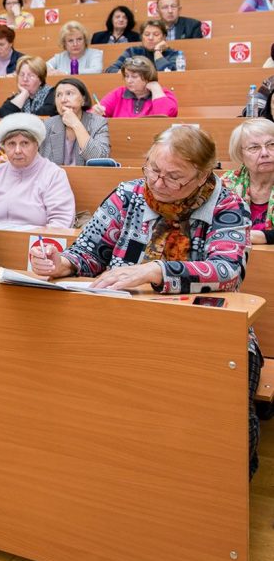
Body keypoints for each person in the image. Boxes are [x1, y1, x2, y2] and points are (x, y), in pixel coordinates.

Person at [29, 125, 261, 478]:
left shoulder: (228, 206)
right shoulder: (128, 195)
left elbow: (226, 270)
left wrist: (155, 271)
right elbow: (89, 252)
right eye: (152, 168)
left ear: (201, 176)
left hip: (208, 331)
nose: (157, 182)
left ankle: (221, 485)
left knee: (222, 400)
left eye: (174, 177)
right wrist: (61, 262)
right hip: (119, 323)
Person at [0, 113, 75, 227]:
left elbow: (61, 222)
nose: (17, 150)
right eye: (11, 144)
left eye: (25, 143)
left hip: (36, 243)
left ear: (37, 145)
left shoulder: (54, 175)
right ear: (4, 147)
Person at [222, 119, 274, 244]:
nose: (265, 153)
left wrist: (263, 236)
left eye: (271, 145)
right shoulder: (227, 183)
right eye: (254, 147)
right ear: (241, 154)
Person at [40, 78, 110, 166]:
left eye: (69, 93)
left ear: (83, 99)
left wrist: (76, 124)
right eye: (58, 95)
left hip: (87, 178)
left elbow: (100, 160)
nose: (63, 100)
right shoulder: (48, 125)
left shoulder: (98, 123)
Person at [96, 56, 178, 117]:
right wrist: (97, 112)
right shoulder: (119, 93)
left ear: (147, 77)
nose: (129, 81)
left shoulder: (163, 94)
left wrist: (156, 89)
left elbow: (164, 117)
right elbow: (93, 115)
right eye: (127, 76)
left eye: (134, 77)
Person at [105, 20, 178, 73]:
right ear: (141, 37)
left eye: (156, 34)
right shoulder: (132, 51)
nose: (150, 38)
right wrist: (130, 74)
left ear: (164, 37)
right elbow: (110, 70)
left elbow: (171, 74)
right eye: (146, 34)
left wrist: (157, 52)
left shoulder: (174, 54)